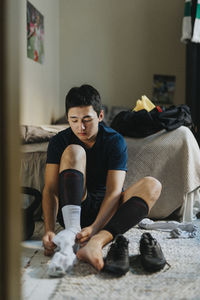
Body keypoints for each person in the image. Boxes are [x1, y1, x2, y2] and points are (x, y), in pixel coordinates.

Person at [42, 84, 162, 276]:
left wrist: (95, 228)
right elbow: (50, 190)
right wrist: (48, 229)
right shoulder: (59, 141)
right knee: (75, 150)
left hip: (108, 210)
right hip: (75, 207)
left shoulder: (114, 140)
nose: (80, 127)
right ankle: (73, 232)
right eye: (73, 120)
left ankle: (96, 243)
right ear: (68, 119)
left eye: (87, 120)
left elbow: (114, 193)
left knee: (153, 185)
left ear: (100, 116)